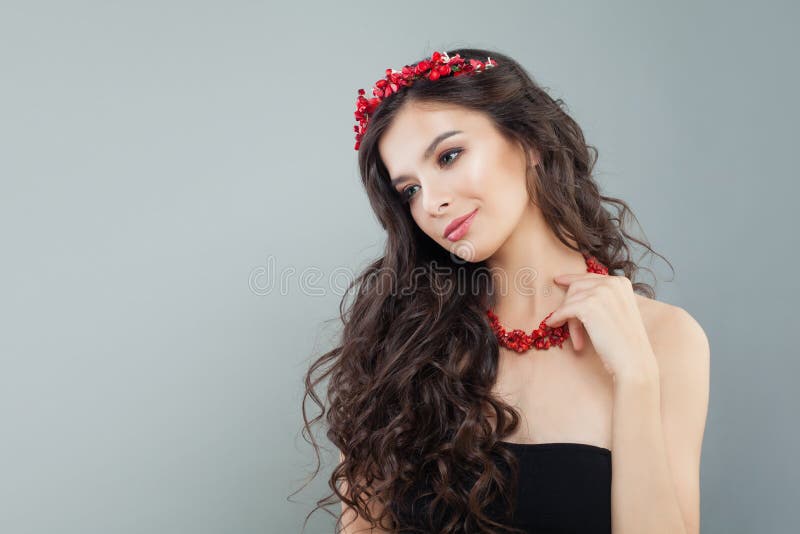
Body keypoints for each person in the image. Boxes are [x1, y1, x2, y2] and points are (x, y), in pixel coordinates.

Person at [296, 48, 710, 534]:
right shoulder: (398, 343)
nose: (432, 202)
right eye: (409, 190)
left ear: (529, 140)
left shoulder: (666, 339)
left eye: (448, 156)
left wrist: (636, 376)